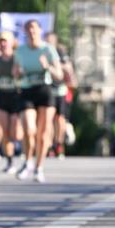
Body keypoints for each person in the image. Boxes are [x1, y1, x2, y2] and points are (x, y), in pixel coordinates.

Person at [14, 19, 62, 182]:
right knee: (28, 129)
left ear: (40, 31)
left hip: (45, 90)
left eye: (34, 29)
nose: (31, 32)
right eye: (28, 29)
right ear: (25, 32)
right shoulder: (20, 51)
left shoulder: (48, 49)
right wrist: (17, 73)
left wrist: (47, 66)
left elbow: (59, 75)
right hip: (27, 90)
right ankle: (27, 162)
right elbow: (16, 73)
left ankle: (39, 168)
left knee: (42, 133)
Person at [0, 31, 22, 173]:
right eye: (1, 40)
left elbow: (25, 74)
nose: (2, 43)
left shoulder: (18, 59)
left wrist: (18, 73)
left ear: (12, 42)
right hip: (1, 95)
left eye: (5, 40)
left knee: (15, 132)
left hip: (16, 95)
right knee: (4, 130)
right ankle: (10, 161)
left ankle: (22, 152)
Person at [45, 31, 76, 160]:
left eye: (51, 40)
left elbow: (68, 68)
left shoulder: (60, 52)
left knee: (60, 119)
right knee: (48, 119)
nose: (49, 42)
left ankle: (59, 144)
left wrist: (54, 66)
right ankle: (50, 145)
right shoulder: (42, 51)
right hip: (47, 89)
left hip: (60, 90)